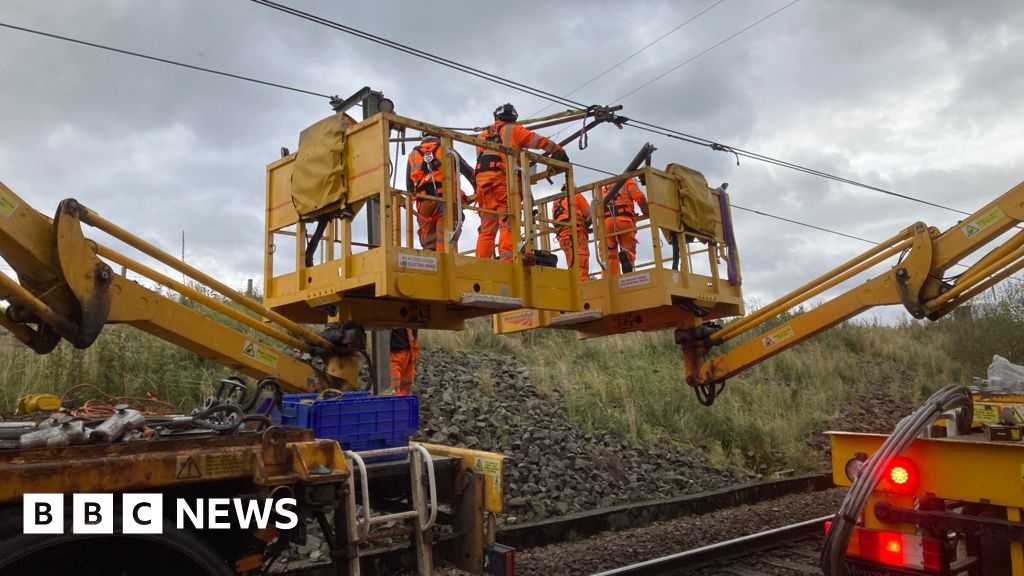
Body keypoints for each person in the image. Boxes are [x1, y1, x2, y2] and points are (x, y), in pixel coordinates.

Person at [475, 103, 569, 261]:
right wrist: (558, 150)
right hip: (504, 186)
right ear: (513, 118)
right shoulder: (514, 130)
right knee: (508, 223)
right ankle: (508, 260)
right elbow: (537, 141)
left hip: (483, 188)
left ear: (496, 117)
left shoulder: (481, 136)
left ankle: (480, 262)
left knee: (486, 230)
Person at [406, 134, 475, 252]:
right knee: (445, 240)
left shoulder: (413, 155)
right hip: (446, 201)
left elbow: (409, 187)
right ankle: (445, 265)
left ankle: (431, 264)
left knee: (428, 243)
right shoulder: (447, 149)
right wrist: (478, 190)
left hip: (424, 204)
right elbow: (469, 172)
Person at [601, 177, 649, 276]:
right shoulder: (628, 181)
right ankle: (627, 264)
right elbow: (639, 197)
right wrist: (647, 211)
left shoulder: (603, 187)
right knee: (628, 249)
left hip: (606, 223)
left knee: (609, 255)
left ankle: (610, 278)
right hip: (624, 221)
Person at [552, 187, 592, 282]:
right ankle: (582, 288)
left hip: (562, 236)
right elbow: (589, 213)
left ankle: (574, 285)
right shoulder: (576, 195)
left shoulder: (555, 202)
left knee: (572, 264)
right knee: (581, 262)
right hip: (575, 234)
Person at [389, 328, 419, 396]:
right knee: (394, 387)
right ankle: (397, 402)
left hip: (409, 350)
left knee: (406, 386)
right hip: (398, 350)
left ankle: (402, 403)